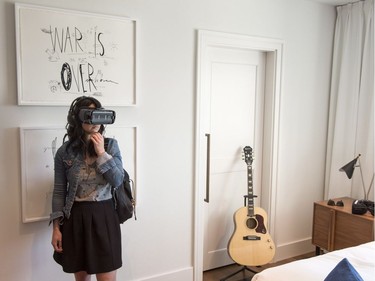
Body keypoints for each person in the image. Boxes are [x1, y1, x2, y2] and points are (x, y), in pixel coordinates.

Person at [50, 96, 124, 281]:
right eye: (89, 115)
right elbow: (60, 191)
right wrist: (56, 229)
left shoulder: (111, 146)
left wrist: (101, 153)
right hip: (76, 219)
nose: (94, 121)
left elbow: (117, 180)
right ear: (78, 119)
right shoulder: (65, 152)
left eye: (98, 114)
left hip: (105, 217)